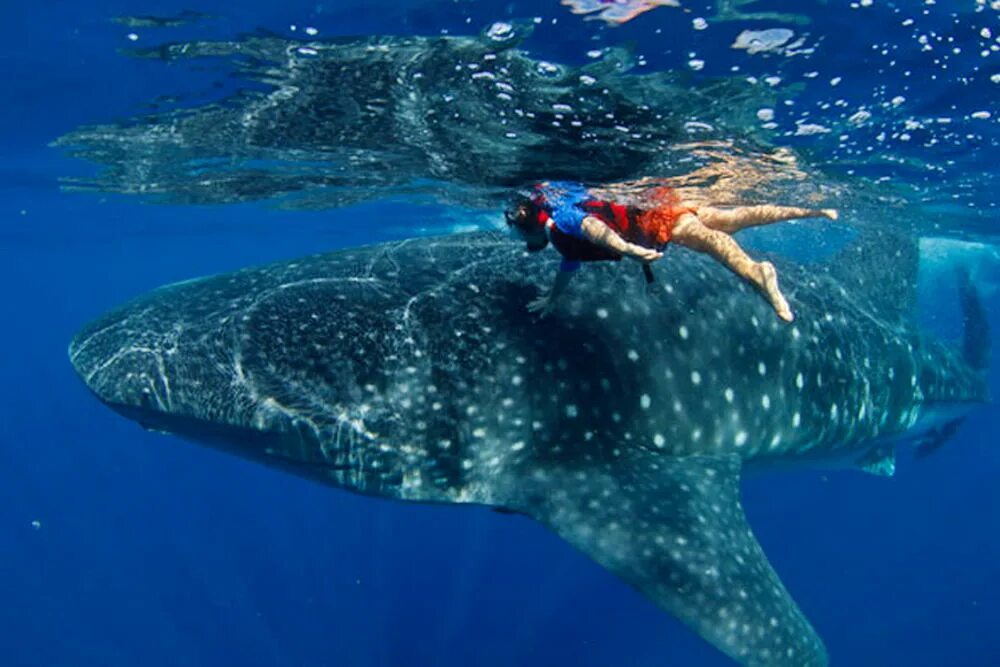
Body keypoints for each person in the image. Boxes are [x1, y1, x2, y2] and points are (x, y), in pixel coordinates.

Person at [504, 180, 838, 322]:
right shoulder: (557, 198)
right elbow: (571, 263)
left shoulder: (561, 220)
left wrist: (628, 249)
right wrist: (553, 297)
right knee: (734, 218)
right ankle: (811, 211)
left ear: (527, 225)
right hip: (665, 202)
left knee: (714, 244)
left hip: (655, 223)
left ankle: (758, 275)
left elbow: (594, 229)